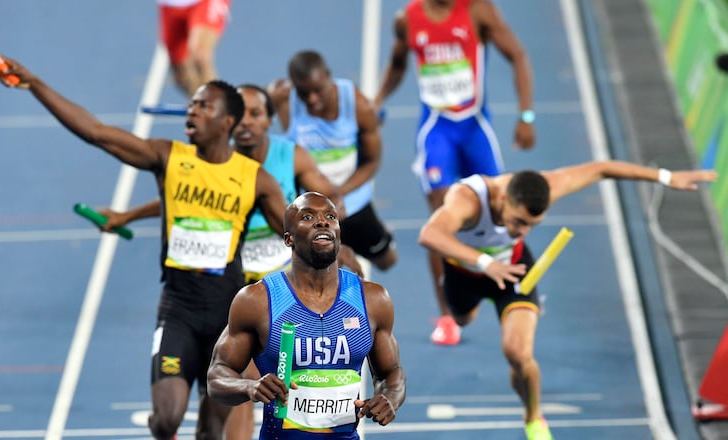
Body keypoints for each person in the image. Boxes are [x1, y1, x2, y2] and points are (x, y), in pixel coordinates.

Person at [0, 58, 289, 440]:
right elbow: (97, 133)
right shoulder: (168, 157)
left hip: (227, 319)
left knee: (211, 432)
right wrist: (35, 83)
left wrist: (337, 261)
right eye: (192, 104)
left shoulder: (256, 180)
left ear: (226, 123)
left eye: (204, 106)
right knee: (166, 419)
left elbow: (293, 234)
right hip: (179, 311)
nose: (193, 110)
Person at [97, 84, 361, 440]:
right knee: (240, 391)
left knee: (261, 394)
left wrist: (338, 247)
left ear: (270, 119)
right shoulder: (218, 164)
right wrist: (130, 215)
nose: (248, 124)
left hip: (279, 291)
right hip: (237, 289)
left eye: (257, 114)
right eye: (244, 115)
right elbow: (186, 201)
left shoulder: (280, 165)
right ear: (230, 124)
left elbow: (317, 209)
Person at [417, 160, 717, 439]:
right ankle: (469, 310)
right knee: (463, 319)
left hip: (515, 273)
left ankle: (534, 416)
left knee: (518, 353)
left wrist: (666, 177)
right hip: (465, 276)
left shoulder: (546, 186)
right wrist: (486, 263)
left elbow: (602, 168)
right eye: (519, 222)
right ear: (505, 198)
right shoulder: (468, 199)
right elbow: (430, 234)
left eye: (531, 226)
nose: (522, 231)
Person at [374, 0, 535, 345]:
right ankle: (447, 315)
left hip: (475, 129)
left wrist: (526, 116)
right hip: (437, 132)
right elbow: (398, 63)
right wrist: (377, 100)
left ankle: (515, 290)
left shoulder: (478, 11)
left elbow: (517, 55)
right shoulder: (408, 19)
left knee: (504, 210)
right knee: (440, 220)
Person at [207, 192, 407, 439]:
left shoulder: (373, 300)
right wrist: (250, 386)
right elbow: (217, 376)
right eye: (308, 216)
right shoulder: (257, 301)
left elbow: (391, 373)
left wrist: (389, 398)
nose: (322, 222)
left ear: (339, 233)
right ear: (289, 239)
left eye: (330, 216)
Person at [269, 50, 398, 272]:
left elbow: (371, 162)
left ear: (328, 76)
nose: (312, 99)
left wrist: (337, 194)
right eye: (303, 93)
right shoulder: (281, 99)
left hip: (352, 201)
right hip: (308, 208)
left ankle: (382, 235)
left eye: (318, 91)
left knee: (386, 261)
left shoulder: (359, 106)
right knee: (316, 272)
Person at [158, 0, 231, 96]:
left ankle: (216, 104)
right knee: (182, 76)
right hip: (170, 5)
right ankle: (199, 103)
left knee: (200, 54)